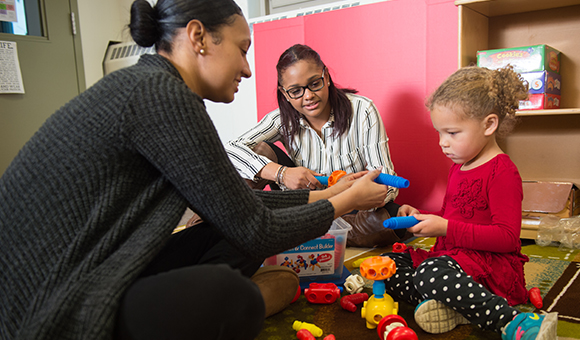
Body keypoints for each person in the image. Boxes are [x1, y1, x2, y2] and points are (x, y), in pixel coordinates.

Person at [0, 1, 390, 339]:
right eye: (241, 50)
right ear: (198, 37)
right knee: (228, 289)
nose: (247, 68)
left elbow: (235, 205)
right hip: (55, 306)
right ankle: (241, 300)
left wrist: (330, 194)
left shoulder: (153, 85)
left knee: (227, 234)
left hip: (99, 267)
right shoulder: (161, 95)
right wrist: (343, 203)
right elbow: (255, 228)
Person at [380, 66, 558, 340]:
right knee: (389, 264)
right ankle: (460, 305)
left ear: (489, 124)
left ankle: (510, 320)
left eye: (452, 133)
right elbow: (452, 214)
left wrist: (445, 228)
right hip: (454, 259)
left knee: (429, 272)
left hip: (489, 267)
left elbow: (508, 238)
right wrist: (421, 215)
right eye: (439, 133)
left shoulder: (503, 173)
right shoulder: (458, 166)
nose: (442, 143)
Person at [225, 44, 407, 247]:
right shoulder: (280, 119)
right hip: (299, 205)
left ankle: (304, 230)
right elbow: (230, 149)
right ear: (285, 94)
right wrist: (282, 174)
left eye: (314, 84)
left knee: (391, 221)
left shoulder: (363, 111)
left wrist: (362, 193)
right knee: (258, 150)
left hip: (350, 207)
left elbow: (386, 180)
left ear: (326, 77)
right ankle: (227, 224)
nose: (308, 96)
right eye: (295, 91)